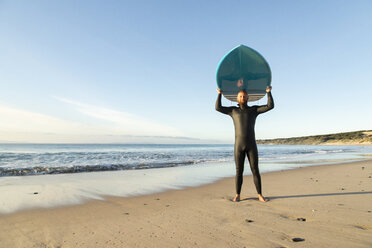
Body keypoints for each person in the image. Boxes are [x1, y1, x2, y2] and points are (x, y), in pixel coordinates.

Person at [215, 86, 274, 202]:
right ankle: (237, 195)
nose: (242, 97)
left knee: (255, 170)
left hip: (251, 145)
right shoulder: (233, 111)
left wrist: (268, 93)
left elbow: (270, 106)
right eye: (240, 96)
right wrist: (219, 94)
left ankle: (260, 195)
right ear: (236, 98)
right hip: (239, 146)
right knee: (239, 171)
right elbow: (218, 107)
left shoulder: (254, 110)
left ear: (248, 97)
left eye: (244, 96)